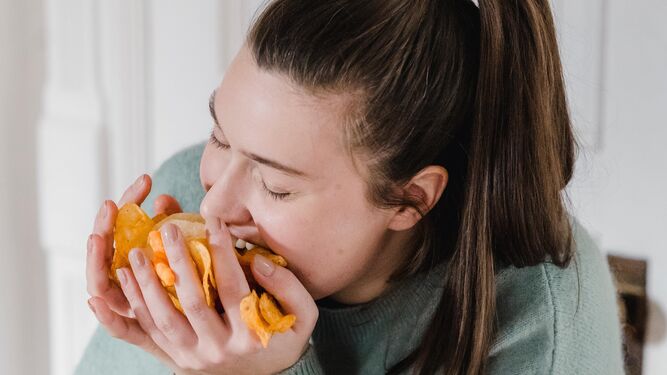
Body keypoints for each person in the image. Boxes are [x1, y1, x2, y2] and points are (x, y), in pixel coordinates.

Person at [76, 0, 625, 374]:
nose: (214, 204)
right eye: (220, 136)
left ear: (410, 198)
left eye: (275, 186)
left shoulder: (546, 321)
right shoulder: (182, 195)